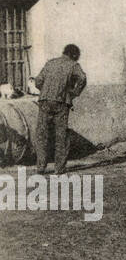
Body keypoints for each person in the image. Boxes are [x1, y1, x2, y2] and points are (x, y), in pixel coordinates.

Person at [33, 44, 87, 175]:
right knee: (61, 135)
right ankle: (59, 168)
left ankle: (40, 167)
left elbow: (38, 81)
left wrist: (46, 91)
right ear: (74, 55)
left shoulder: (50, 63)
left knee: (42, 134)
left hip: (45, 101)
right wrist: (73, 93)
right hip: (62, 102)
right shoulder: (73, 65)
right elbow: (83, 78)